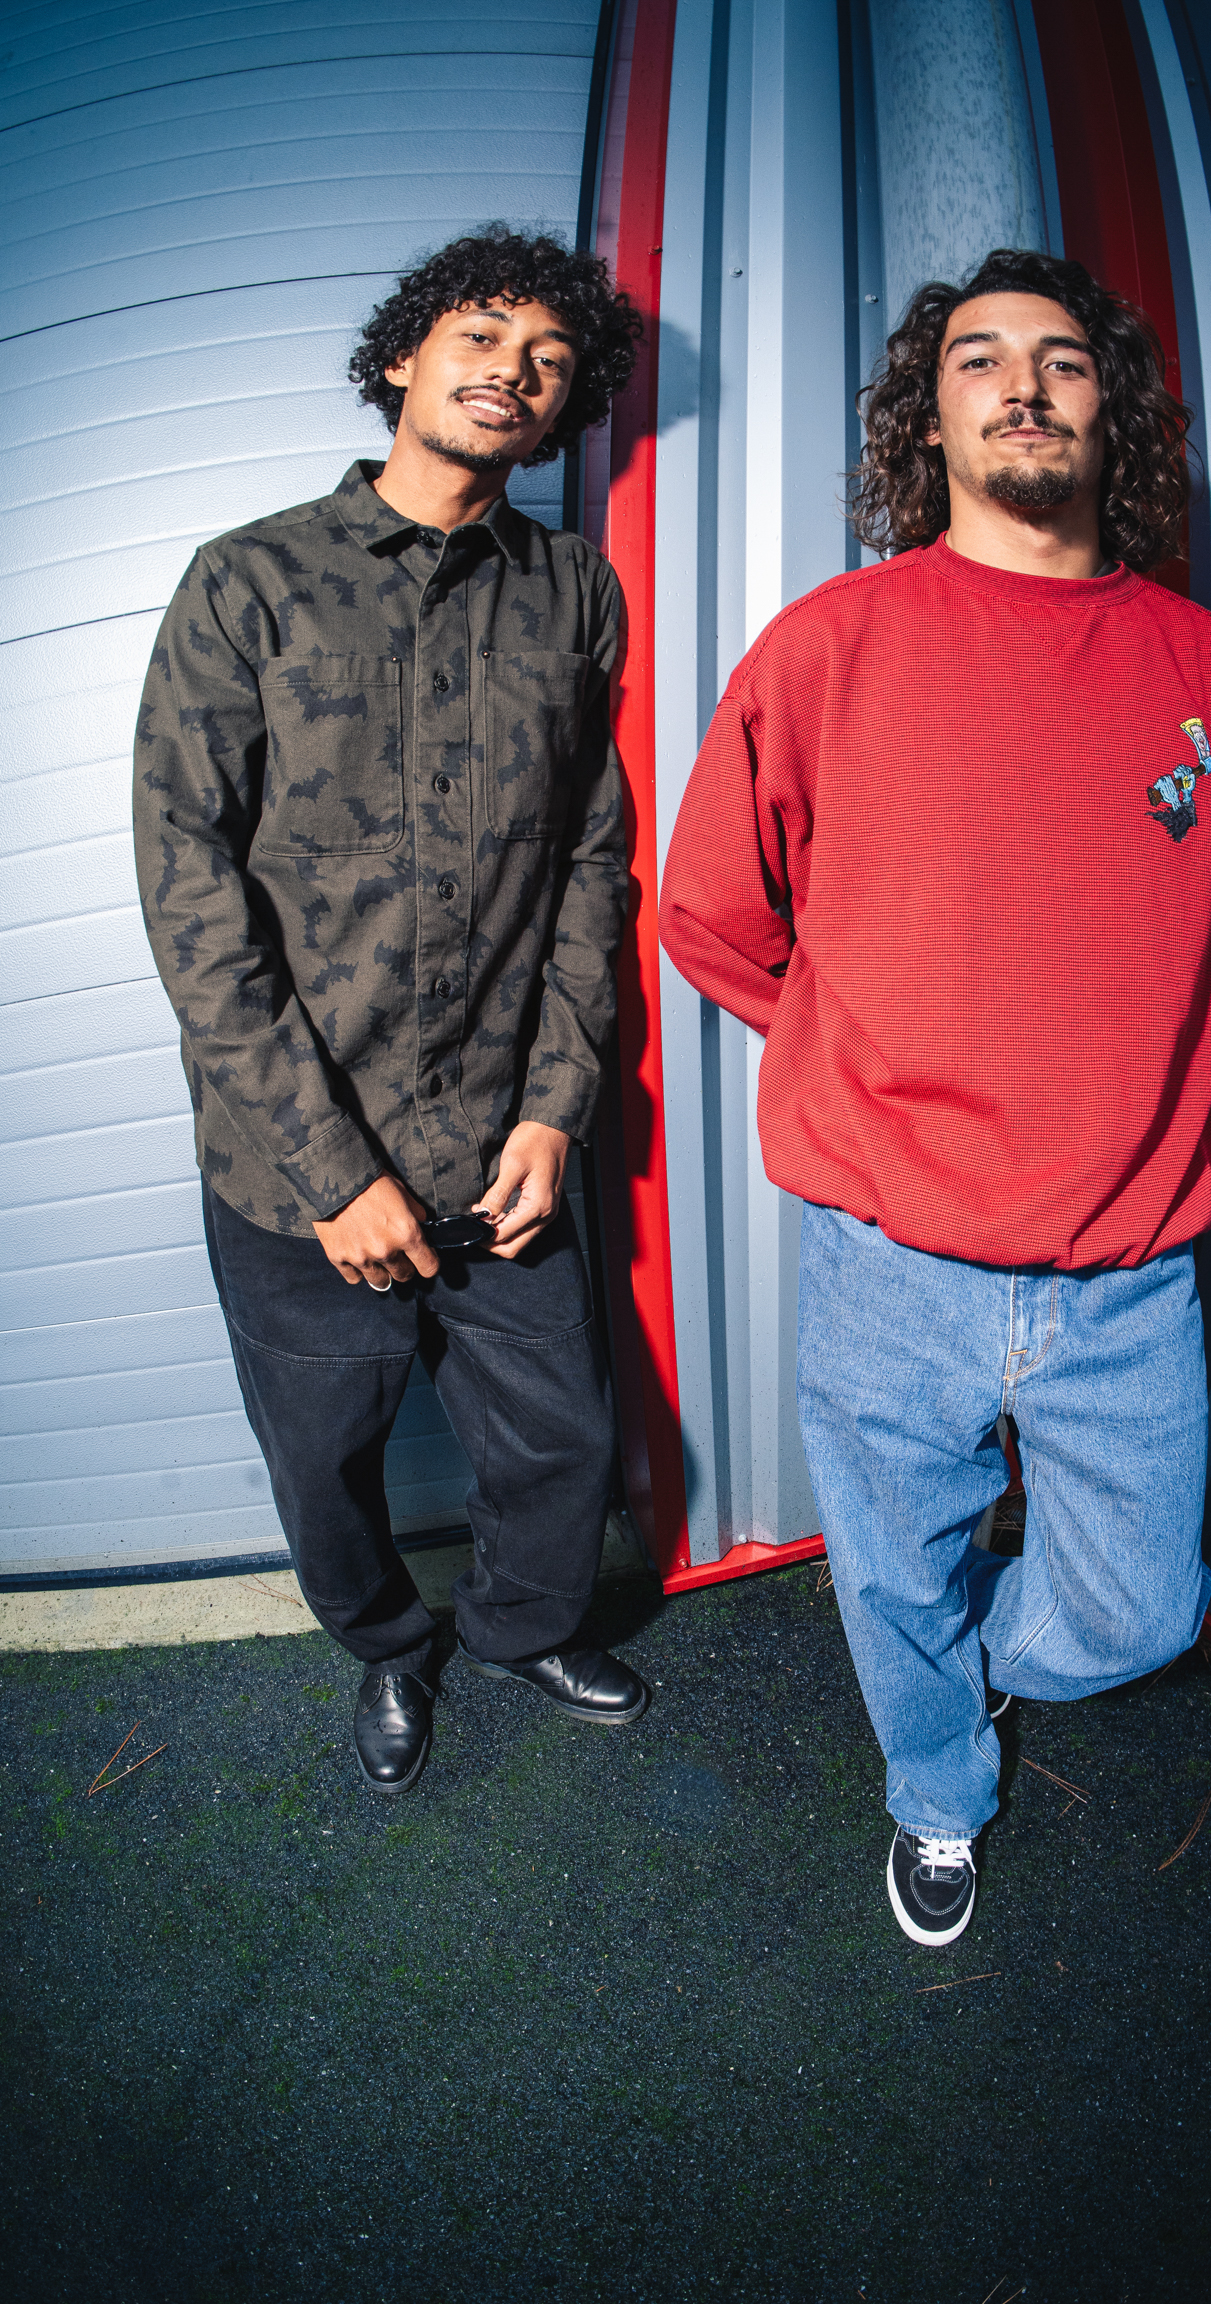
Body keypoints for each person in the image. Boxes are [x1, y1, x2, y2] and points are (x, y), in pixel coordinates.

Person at [659, 249, 1211, 1946]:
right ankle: (937, 1790)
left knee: (1135, 1611)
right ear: (932, 418)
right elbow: (717, 917)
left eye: (1064, 361)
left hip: (1128, 1285)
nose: (1023, 381)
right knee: (889, 1572)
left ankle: (979, 1670)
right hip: (891, 1264)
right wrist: (867, 1052)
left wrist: (1120, 1080)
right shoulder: (832, 648)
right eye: (980, 360)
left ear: (1115, 420)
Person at [134, 227, 649, 1795]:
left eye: (551, 359)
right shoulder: (249, 580)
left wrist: (559, 1107)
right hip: (296, 1172)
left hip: (503, 1146)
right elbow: (187, 881)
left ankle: (521, 1627)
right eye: (481, 333)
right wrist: (326, 1171)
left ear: (565, 413)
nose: (515, 367)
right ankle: (387, 1653)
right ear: (399, 363)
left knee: (560, 1435)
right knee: (328, 1463)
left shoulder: (574, 591)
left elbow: (591, 858)